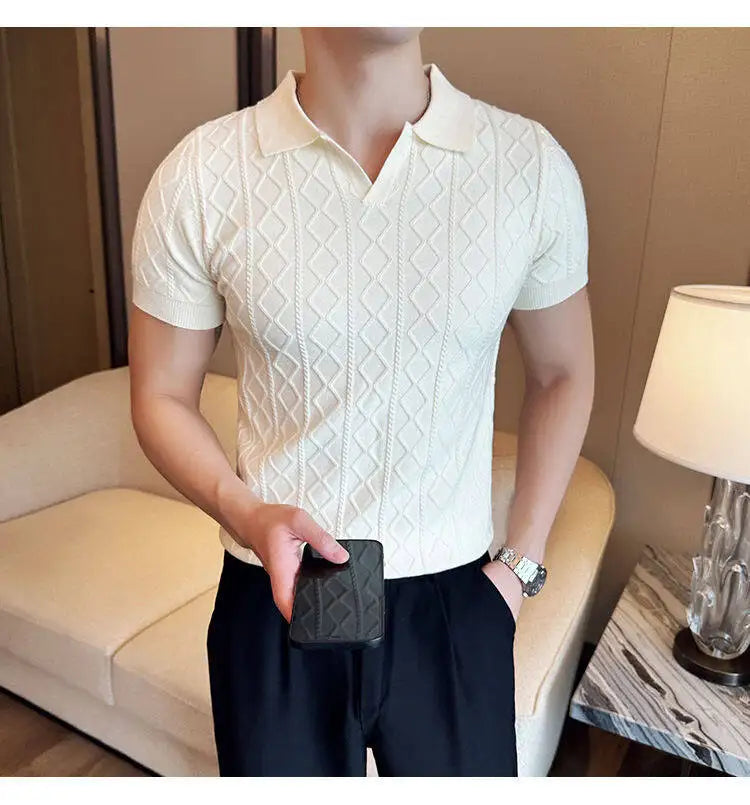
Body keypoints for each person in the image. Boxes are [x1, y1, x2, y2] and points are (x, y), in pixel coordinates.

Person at [128, 26, 595, 777]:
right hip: (272, 591)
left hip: (454, 603)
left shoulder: (528, 166)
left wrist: (520, 568)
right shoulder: (202, 174)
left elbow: (564, 371)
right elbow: (159, 394)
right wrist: (243, 510)